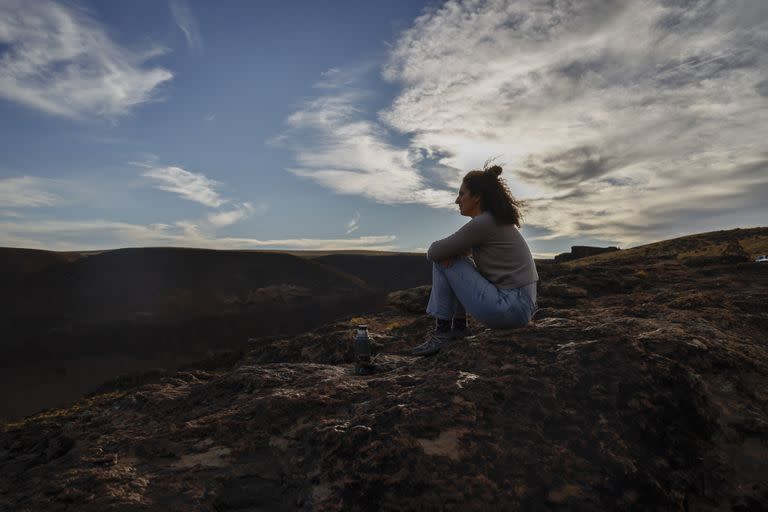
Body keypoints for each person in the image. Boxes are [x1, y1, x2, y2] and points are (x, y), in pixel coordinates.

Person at [411, 163, 539, 356]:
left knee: (443, 261)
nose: (457, 200)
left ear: (477, 197)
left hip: (511, 308)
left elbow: (434, 252)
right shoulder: (493, 221)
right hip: (520, 307)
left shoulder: (484, 223)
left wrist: (450, 255)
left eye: (462, 194)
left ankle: (443, 332)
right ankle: (459, 328)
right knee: (455, 261)